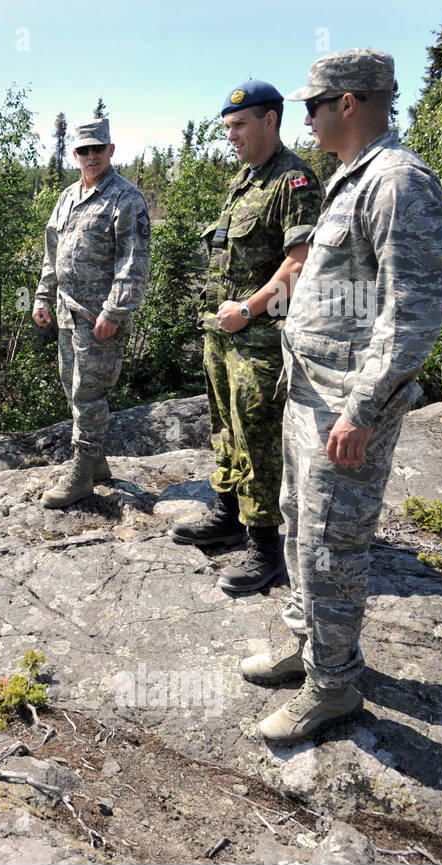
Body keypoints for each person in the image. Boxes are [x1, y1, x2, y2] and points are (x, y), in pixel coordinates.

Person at [243, 50, 442, 743]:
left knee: (333, 546)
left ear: (350, 103)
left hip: (345, 407)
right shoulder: (347, 179)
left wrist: (363, 409)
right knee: (301, 527)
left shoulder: (398, 182)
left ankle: (332, 687)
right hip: (309, 393)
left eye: (313, 104)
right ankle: (309, 651)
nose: (306, 116)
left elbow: (412, 312)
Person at [171, 81, 322, 596]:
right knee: (225, 429)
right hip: (225, 334)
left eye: (239, 125)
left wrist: (247, 308)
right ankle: (228, 515)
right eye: (226, 127)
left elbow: (300, 262)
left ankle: (266, 549)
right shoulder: (247, 179)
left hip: (259, 336)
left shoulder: (294, 179)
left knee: (258, 438)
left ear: (271, 121)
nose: (230, 136)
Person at [33, 116, 151, 508]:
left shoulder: (125, 198)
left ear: (110, 150)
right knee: (73, 387)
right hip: (67, 313)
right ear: (75, 154)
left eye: (97, 149)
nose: (90, 156)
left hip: (100, 317)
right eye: (83, 150)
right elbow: (53, 252)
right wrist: (42, 297)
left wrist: (114, 311)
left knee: (89, 393)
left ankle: (81, 475)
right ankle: (96, 462)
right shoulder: (68, 197)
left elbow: (133, 261)